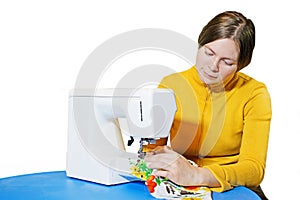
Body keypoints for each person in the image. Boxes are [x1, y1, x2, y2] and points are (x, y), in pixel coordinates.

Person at [144, 11, 271, 199]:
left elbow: (254, 169)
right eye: (208, 53)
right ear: (200, 44)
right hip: (177, 181)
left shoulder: (254, 94)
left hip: (233, 187)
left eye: (227, 62)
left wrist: (197, 176)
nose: (213, 66)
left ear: (241, 65)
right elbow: (153, 149)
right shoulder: (171, 85)